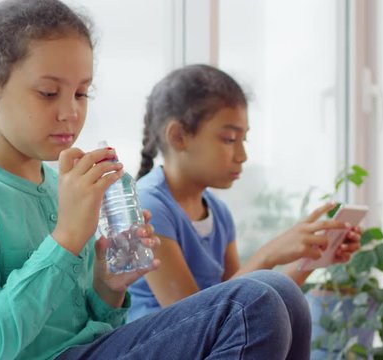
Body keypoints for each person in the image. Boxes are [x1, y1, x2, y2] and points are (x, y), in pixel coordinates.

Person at [0, 1, 311, 359]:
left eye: (82, 94)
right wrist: (66, 240)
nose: (70, 112)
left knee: (284, 295)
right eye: (49, 92)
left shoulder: (60, 187)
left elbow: (85, 326)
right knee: (251, 303)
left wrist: (109, 284)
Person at [127, 64, 362, 322]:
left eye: (243, 140)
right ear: (179, 136)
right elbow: (191, 323)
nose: (242, 156)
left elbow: (235, 306)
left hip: (206, 341)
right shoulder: (148, 206)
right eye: (229, 139)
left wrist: (308, 256)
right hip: (160, 347)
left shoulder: (218, 212)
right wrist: (269, 254)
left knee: (282, 307)